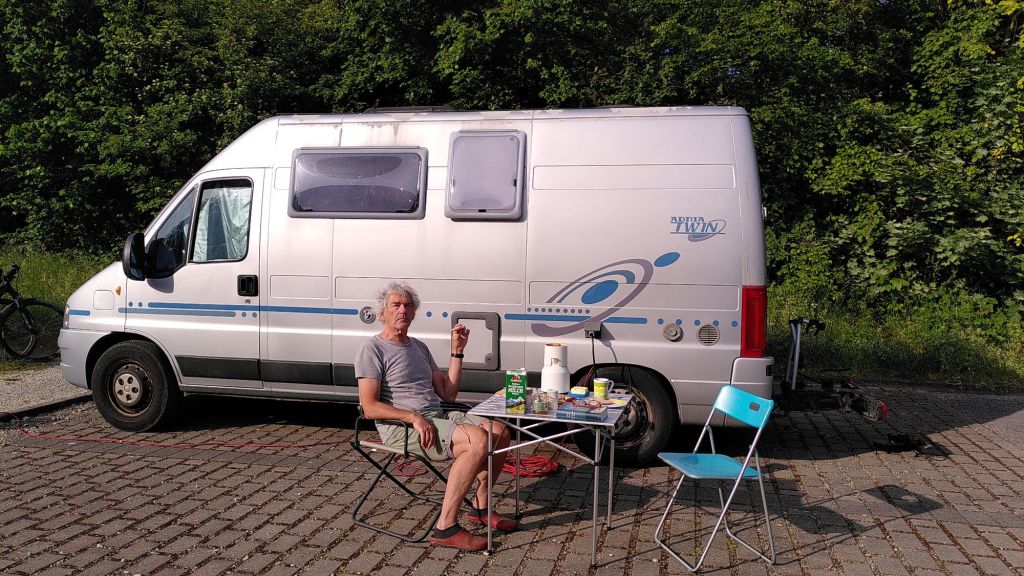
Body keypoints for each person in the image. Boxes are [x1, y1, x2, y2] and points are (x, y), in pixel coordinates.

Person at [355, 282, 516, 551]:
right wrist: (412, 417)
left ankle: (480, 508)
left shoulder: (419, 347)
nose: (403, 310)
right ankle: (445, 527)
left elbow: (448, 393)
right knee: (477, 440)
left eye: (408, 305)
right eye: (396, 305)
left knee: (500, 432)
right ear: (382, 312)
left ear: (414, 313)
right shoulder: (372, 349)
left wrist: (457, 350)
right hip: (402, 428)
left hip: (436, 416)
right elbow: (369, 407)